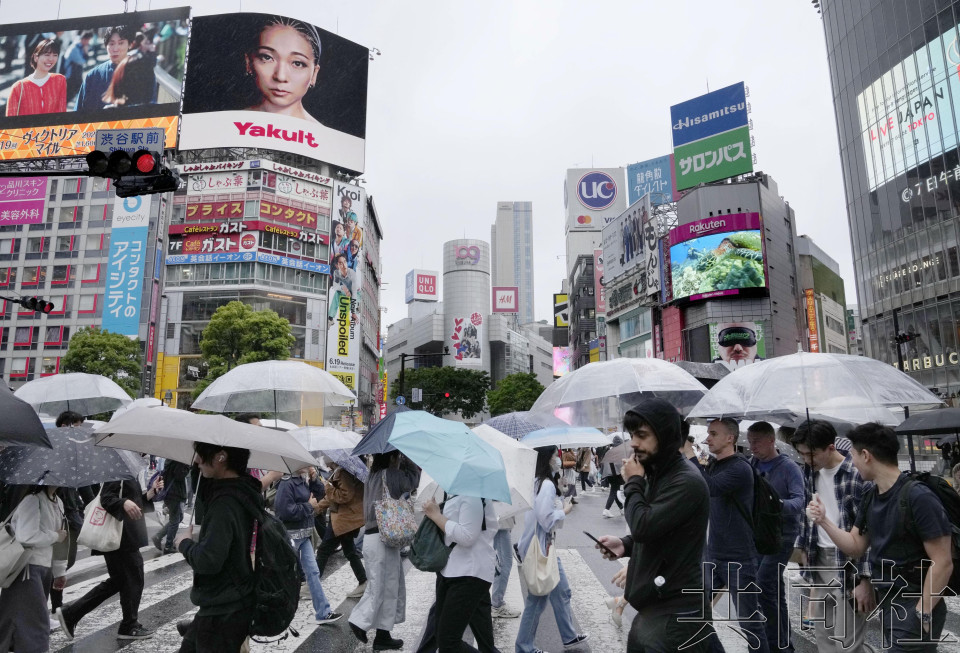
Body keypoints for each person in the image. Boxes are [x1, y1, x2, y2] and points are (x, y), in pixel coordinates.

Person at [807, 422, 953, 651]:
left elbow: (943, 561)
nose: (851, 461)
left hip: (913, 599)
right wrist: (823, 520)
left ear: (865, 455)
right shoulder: (870, 494)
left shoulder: (918, 497)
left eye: (852, 455)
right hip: (888, 598)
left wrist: (923, 612)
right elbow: (855, 546)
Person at [595, 399, 715, 651]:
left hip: (677, 608)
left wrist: (633, 483)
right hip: (660, 604)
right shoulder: (657, 474)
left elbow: (644, 526)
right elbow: (660, 530)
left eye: (642, 435)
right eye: (631, 435)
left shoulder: (685, 481)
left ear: (665, 436)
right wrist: (624, 544)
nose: (634, 443)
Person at [790, 420, 873, 653]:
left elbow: (869, 531)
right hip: (819, 558)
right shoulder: (808, 472)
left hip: (850, 561)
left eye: (812, 454)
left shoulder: (856, 475)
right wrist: (801, 550)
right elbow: (806, 518)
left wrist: (865, 579)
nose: (807, 459)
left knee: (847, 642)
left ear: (830, 447)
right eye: (802, 454)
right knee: (823, 636)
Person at [174, 442, 261, 652]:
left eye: (201, 454)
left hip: (223, 610)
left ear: (221, 456)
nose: (196, 460)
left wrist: (183, 544)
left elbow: (208, 560)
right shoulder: (243, 492)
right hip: (228, 603)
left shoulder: (225, 503)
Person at [693, 417, 769, 653]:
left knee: (749, 623)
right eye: (708, 433)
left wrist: (688, 454)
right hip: (714, 553)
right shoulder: (715, 464)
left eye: (713, 433)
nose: (707, 438)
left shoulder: (740, 467)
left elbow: (710, 487)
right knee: (695, 612)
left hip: (739, 558)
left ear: (730, 438)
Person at [57, 475, 162, 640]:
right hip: (119, 539)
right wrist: (123, 503)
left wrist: (148, 495)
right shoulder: (119, 471)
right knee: (133, 577)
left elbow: (132, 502)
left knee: (119, 581)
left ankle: (72, 613)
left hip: (124, 537)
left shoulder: (127, 470)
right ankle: (129, 625)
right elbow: (107, 498)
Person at [514, 447, 588, 653]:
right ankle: (524, 647)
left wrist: (559, 492)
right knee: (538, 599)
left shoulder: (539, 482)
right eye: (555, 455)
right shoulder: (544, 484)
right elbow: (546, 519)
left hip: (542, 545)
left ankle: (569, 637)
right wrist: (564, 510)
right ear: (547, 459)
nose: (558, 459)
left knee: (561, 591)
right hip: (542, 547)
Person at [348, 451, 420, 650]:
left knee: (389, 587)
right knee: (381, 587)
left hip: (376, 538)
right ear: (391, 458)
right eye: (397, 456)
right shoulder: (390, 474)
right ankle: (358, 620)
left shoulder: (372, 474)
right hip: (383, 537)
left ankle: (383, 635)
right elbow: (412, 482)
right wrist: (409, 458)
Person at [416, 492, 500, 653]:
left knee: (448, 641)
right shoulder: (458, 492)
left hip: (469, 573)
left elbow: (467, 536)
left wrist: (436, 515)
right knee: (444, 637)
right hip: (452, 570)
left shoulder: (472, 495)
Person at [746, 421, 805, 652]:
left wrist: (775, 504)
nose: (752, 447)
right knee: (772, 590)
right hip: (759, 535)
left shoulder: (789, 467)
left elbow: (799, 501)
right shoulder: (751, 464)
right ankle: (782, 644)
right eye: (750, 442)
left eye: (757, 441)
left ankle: (775, 643)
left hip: (782, 535)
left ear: (771, 440)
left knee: (763, 584)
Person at [0, 485, 67, 652]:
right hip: (26, 567)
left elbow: (62, 541)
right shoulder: (32, 500)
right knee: (36, 621)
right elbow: (26, 536)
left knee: (13, 618)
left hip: (44, 567)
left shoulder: (58, 502)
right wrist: (55, 536)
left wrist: (59, 571)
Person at [274, 465, 341, 625]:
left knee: (313, 572)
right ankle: (273, 611)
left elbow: (321, 493)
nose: (308, 465)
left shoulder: (303, 480)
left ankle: (323, 612)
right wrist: (309, 506)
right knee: (283, 575)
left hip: (304, 534)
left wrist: (314, 478)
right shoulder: (287, 483)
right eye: (305, 462)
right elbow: (283, 511)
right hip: (291, 535)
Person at [244, 16, 321, 121]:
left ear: (314, 74)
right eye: (267, 57)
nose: (280, 76)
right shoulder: (227, 123)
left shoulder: (323, 135)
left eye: (297, 63)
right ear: (249, 63)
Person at [315, 464, 367, 599]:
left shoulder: (343, 472)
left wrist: (327, 487)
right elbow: (332, 497)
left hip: (344, 519)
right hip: (345, 518)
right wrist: (318, 508)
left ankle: (312, 586)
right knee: (350, 551)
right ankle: (363, 581)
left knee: (323, 550)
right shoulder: (340, 471)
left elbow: (344, 496)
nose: (326, 462)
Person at [76, 25, 134, 112]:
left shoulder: (142, 73)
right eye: (111, 43)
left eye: (121, 43)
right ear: (106, 45)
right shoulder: (93, 76)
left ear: (130, 44)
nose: (115, 49)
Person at [5, 38, 67, 116]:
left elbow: (61, 114)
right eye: (47, 55)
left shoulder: (60, 80)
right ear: (36, 57)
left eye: (55, 55)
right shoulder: (18, 87)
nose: (51, 59)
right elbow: (11, 121)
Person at [152, 459, 190, 554]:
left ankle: (158, 536)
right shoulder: (178, 460)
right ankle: (168, 546)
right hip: (174, 494)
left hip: (171, 492)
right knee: (175, 520)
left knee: (178, 518)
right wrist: (188, 467)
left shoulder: (171, 459)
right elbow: (179, 475)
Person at [490, 514, 521, 619]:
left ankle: (495, 602)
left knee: (500, 562)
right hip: (500, 521)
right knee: (504, 563)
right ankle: (497, 604)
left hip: (498, 521)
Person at [63, 31, 92, 102]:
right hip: (70, 76)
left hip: (76, 75)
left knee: (79, 91)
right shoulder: (75, 48)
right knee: (68, 96)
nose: (88, 43)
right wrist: (86, 52)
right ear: (84, 39)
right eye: (88, 40)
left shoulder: (80, 46)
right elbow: (82, 61)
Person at [601, 436, 625, 519]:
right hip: (616, 474)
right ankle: (606, 509)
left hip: (609, 474)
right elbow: (619, 464)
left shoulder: (609, 451)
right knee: (614, 491)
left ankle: (621, 508)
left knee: (615, 491)